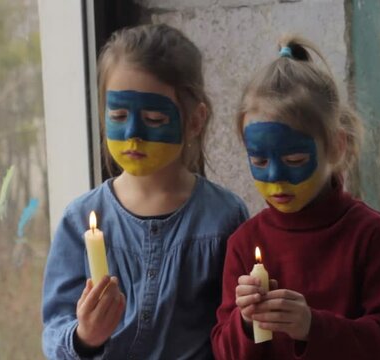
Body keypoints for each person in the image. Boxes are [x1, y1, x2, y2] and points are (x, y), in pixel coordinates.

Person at [42, 24, 248, 360]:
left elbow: (235, 332)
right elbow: (54, 330)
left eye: (153, 119)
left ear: (195, 121)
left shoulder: (224, 217)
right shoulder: (79, 220)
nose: (133, 133)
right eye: (119, 115)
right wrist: (84, 337)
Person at [211, 35, 380, 360]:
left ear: (336, 145)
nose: (275, 176)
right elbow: (223, 350)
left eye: (294, 161)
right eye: (259, 161)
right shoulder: (244, 243)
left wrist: (311, 327)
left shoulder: (371, 235)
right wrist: (245, 323)